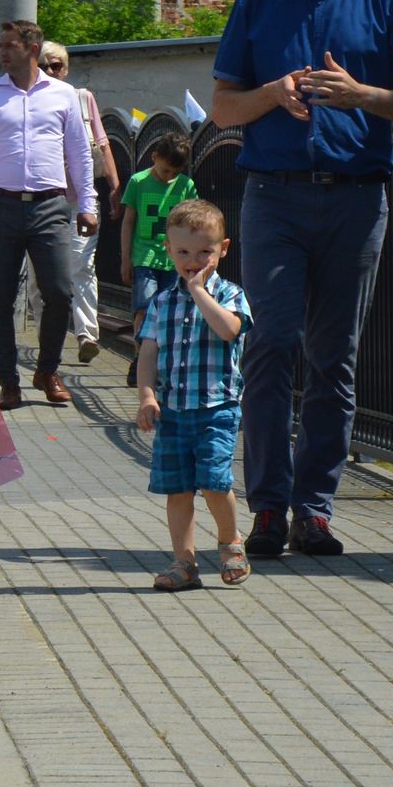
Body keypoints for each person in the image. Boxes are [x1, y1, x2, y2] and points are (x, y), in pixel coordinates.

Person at [209, 0, 393, 561]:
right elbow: (223, 109)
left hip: (355, 199)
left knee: (333, 357)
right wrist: (272, 92)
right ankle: (268, 506)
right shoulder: (257, 2)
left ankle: (314, 509)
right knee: (269, 344)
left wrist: (361, 94)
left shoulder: (388, 0)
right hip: (274, 197)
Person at [0, 19, 95, 411]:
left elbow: (79, 152)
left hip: (50, 204)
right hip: (1, 205)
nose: (1, 52)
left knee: (59, 291)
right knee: (0, 297)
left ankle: (48, 370)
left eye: (9, 45)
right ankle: (8, 381)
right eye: (0, 45)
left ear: (32, 49)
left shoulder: (63, 94)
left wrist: (87, 203)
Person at [135, 199, 251, 592]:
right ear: (168, 249)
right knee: (177, 488)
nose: (193, 261)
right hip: (173, 411)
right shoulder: (161, 302)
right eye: (183, 252)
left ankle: (230, 543)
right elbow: (148, 353)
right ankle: (184, 562)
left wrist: (199, 291)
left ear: (223, 250)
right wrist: (147, 396)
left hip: (217, 408)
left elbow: (229, 330)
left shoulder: (230, 294)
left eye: (204, 252)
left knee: (215, 482)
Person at [38, 41, 117, 365]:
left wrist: (115, 187)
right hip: (44, 201)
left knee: (82, 265)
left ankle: (87, 335)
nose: (50, 71)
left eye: (56, 65)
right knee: (43, 276)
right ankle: (47, 343)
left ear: (66, 69)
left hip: (81, 200)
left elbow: (103, 144)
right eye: (43, 65)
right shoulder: (30, 102)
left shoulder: (83, 98)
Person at [119, 132, 195, 384]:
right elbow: (128, 221)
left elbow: (192, 222)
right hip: (145, 257)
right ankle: (139, 358)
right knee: (144, 307)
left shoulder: (186, 186)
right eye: (165, 170)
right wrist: (126, 258)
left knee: (169, 311)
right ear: (154, 157)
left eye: (175, 172)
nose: (169, 176)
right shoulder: (138, 182)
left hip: (173, 262)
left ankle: (161, 363)